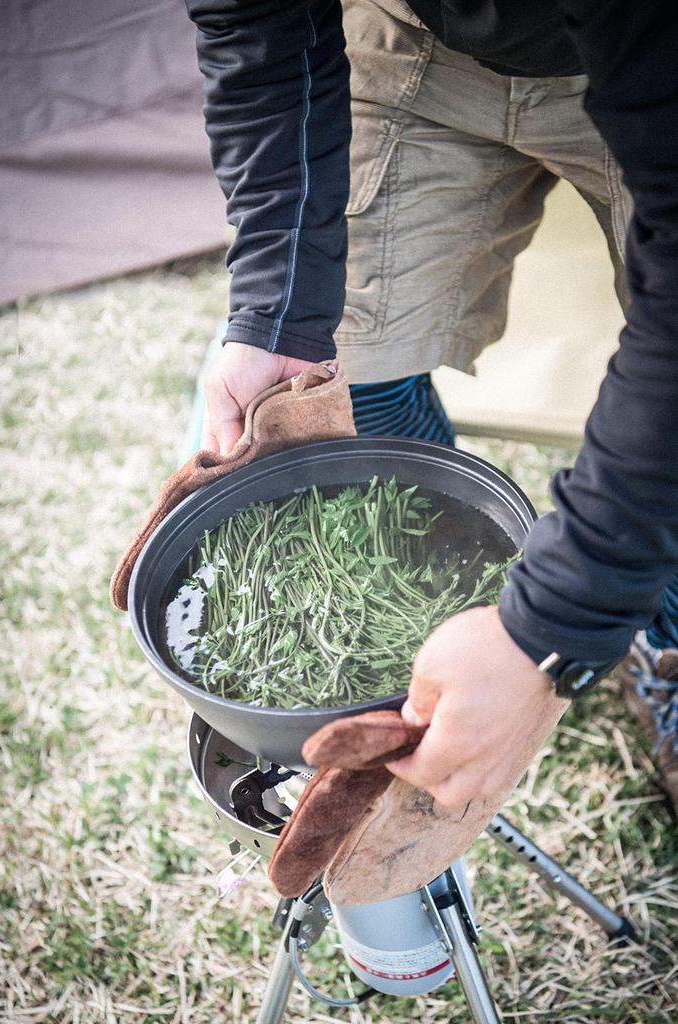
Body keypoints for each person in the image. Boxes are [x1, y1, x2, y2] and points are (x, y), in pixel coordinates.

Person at [185, 0, 678, 813]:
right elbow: (253, 24)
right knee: (354, 374)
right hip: (413, 43)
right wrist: (277, 315)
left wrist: (552, 627)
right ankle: (445, 628)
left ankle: (666, 648)